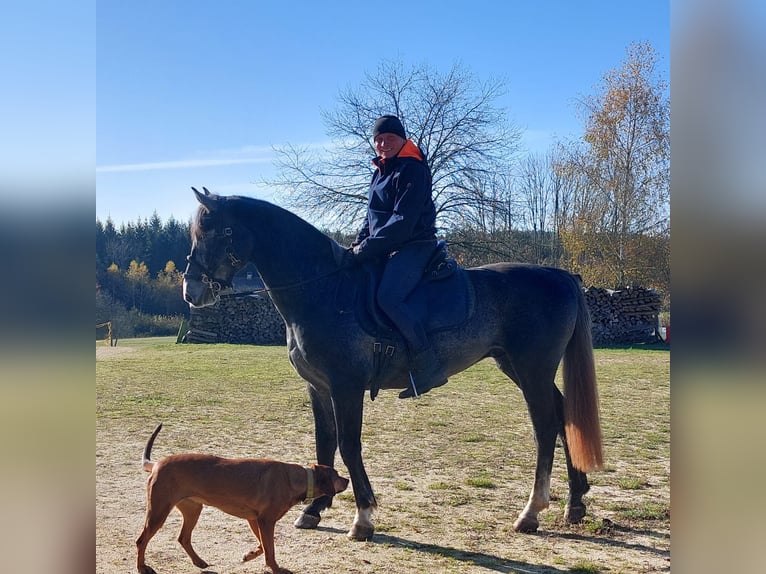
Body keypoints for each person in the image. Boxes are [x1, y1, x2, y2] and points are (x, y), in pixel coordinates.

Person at [350, 115, 448, 398]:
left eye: (389, 139)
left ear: (402, 139)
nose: (383, 144)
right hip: (385, 246)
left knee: (388, 297)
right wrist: (356, 245)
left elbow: (402, 222)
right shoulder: (380, 170)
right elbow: (372, 218)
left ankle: (428, 362)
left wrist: (366, 249)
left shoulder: (412, 169)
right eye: (378, 140)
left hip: (415, 245)